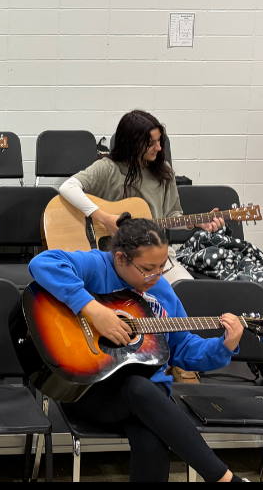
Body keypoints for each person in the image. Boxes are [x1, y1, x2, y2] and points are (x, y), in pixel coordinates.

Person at [29, 214, 249, 483]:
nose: (156, 276)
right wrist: (93, 310)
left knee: (152, 436)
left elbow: (182, 347)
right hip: (90, 391)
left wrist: (225, 345)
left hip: (148, 398)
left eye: (162, 266)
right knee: (139, 390)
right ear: (121, 258)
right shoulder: (98, 266)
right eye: (147, 268)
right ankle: (225, 480)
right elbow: (43, 263)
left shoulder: (162, 291)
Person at [58, 108, 223, 381]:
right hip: (116, 258)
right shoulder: (108, 168)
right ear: (132, 142)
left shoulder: (164, 173)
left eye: (160, 141)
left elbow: (173, 215)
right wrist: (104, 218)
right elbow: (68, 188)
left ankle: (170, 355)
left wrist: (197, 223)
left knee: (182, 285)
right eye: (151, 143)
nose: (159, 148)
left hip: (155, 258)